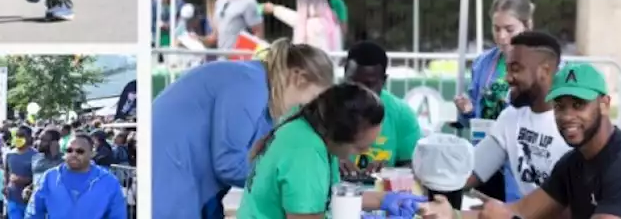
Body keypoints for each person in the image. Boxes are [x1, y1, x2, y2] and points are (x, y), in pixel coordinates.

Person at [424, 64, 621, 219]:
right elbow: (522, 210)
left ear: (604, 104)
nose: (567, 117)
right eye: (560, 107)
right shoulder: (573, 163)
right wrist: (452, 215)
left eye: (578, 105)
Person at [151, 39, 337, 219]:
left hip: (186, 176)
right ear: (299, 78)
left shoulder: (264, 94)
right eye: (313, 99)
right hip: (171, 171)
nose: (309, 111)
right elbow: (228, 165)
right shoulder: (250, 84)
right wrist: (282, 183)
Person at [237, 82, 427, 219]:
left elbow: (329, 199)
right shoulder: (306, 155)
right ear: (341, 135)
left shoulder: (313, 131)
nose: (362, 154)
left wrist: (383, 200)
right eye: (360, 148)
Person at [466, 31, 571, 202]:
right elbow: (473, 171)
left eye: (515, 69)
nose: (507, 78)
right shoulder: (510, 117)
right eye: (507, 69)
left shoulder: (573, 126)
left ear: (545, 71)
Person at [454, 0, 535, 201]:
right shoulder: (483, 63)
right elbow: (471, 119)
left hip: (522, 165)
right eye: (496, 28)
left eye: (509, 29)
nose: (501, 36)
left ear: (528, 26)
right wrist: (468, 111)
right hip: (486, 161)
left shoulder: (545, 65)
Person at [342, 41, 423, 171]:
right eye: (353, 82)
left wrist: (389, 172)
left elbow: (413, 165)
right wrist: (332, 164)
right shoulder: (324, 108)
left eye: (369, 85)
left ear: (383, 81)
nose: (359, 91)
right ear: (344, 75)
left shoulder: (402, 115)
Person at [26, 133, 126, 219]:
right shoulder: (49, 177)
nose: (73, 154)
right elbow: (33, 212)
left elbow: (118, 215)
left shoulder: (108, 181)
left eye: (80, 151)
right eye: (69, 150)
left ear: (92, 153)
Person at [5, 126, 38, 219]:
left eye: (22, 135)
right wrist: (5, 186)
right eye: (17, 135)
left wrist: (25, 180)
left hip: (30, 201)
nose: (18, 138)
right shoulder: (9, 154)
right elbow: (7, 171)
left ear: (29, 138)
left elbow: (39, 177)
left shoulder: (36, 155)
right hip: (13, 200)